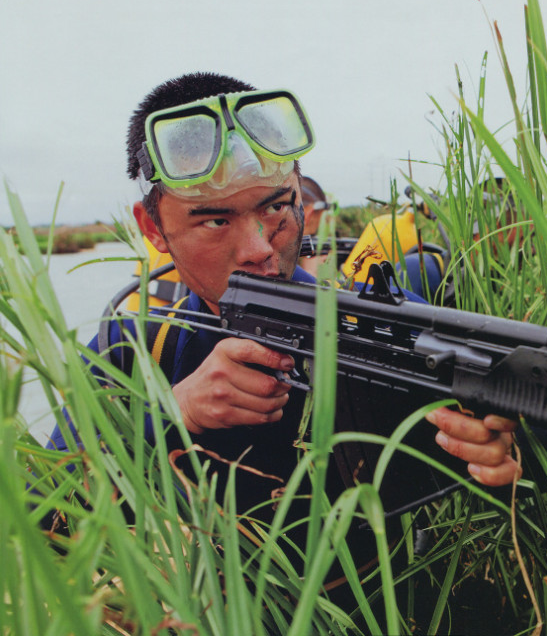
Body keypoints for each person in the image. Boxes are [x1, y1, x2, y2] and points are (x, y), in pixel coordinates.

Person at [48, 72, 520, 578]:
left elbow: (506, 467)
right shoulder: (127, 351)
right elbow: (41, 520)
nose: (258, 249)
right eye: (214, 220)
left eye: (275, 207)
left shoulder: (377, 322)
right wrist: (173, 413)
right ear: (154, 229)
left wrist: (502, 457)